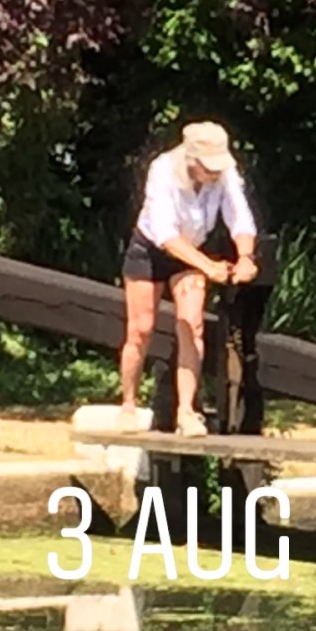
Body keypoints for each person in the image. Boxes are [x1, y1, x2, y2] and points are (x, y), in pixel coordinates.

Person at [119, 121, 258, 436]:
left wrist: (246, 256)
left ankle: (186, 411)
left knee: (191, 324)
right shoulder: (163, 171)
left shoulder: (225, 172)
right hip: (153, 249)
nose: (214, 174)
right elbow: (166, 235)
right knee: (140, 330)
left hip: (193, 249)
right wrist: (209, 267)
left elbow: (239, 213)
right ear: (192, 160)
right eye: (208, 168)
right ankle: (128, 403)